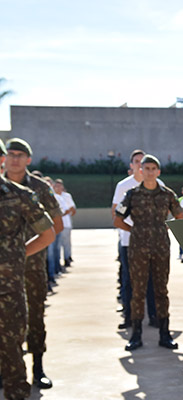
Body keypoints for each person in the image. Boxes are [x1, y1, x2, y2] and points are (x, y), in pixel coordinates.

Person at [3, 138, 63, 390]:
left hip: (31, 264)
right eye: (11, 153)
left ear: (28, 159)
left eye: (20, 154)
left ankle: (37, 367)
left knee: (35, 315)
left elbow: (56, 225)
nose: (15, 158)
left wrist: (20, 253)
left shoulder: (39, 187)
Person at [114, 154, 183, 351]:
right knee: (138, 291)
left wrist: (163, 230)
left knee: (161, 290)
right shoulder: (132, 195)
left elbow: (179, 216)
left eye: (154, 169)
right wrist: (136, 232)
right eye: (147, 168)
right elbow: (118, 219)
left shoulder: (167, 194)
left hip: (161, 248)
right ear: (141, 171)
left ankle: (164, 333)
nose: (151, 172)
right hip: (137, 250)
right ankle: (136, 335)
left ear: (158, 172)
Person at [111, 149, 162, 330]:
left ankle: (155, 316)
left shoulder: (160, 186)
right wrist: (136, 231)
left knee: (153, 281)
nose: (142, 166)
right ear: (132, 166)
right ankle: (129, 317)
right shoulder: (124, 187)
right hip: (129, 242)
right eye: (137, 162)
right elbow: (116, 215)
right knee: (129, 281)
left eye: (145, 162)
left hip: (155, 244)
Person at [53, 179, 76, 267]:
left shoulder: (66, 196)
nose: (58, 188)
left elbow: (71, 209)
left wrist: (61, 215)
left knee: (66, 243)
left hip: (66, 223)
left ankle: (67, 258)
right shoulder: (53, 196)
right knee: (57, 245)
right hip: (56, 223)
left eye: (60, 186)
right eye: (56, 186)